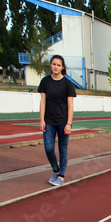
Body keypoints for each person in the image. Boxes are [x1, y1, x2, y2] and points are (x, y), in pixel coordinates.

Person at [39, 54, 76, 186]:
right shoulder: (45, 81)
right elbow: (43, 102)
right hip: (49, 121)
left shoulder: (67, 84)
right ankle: (55, 169)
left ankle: (61, 175)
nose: (56, 67)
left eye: (58, 65)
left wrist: (69, 123)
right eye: (54, 64)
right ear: (51, 65)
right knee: (48, 148)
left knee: (62, 149)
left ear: (62, 67)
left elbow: (70, 105)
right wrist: (41, 120)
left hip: (63, 121)